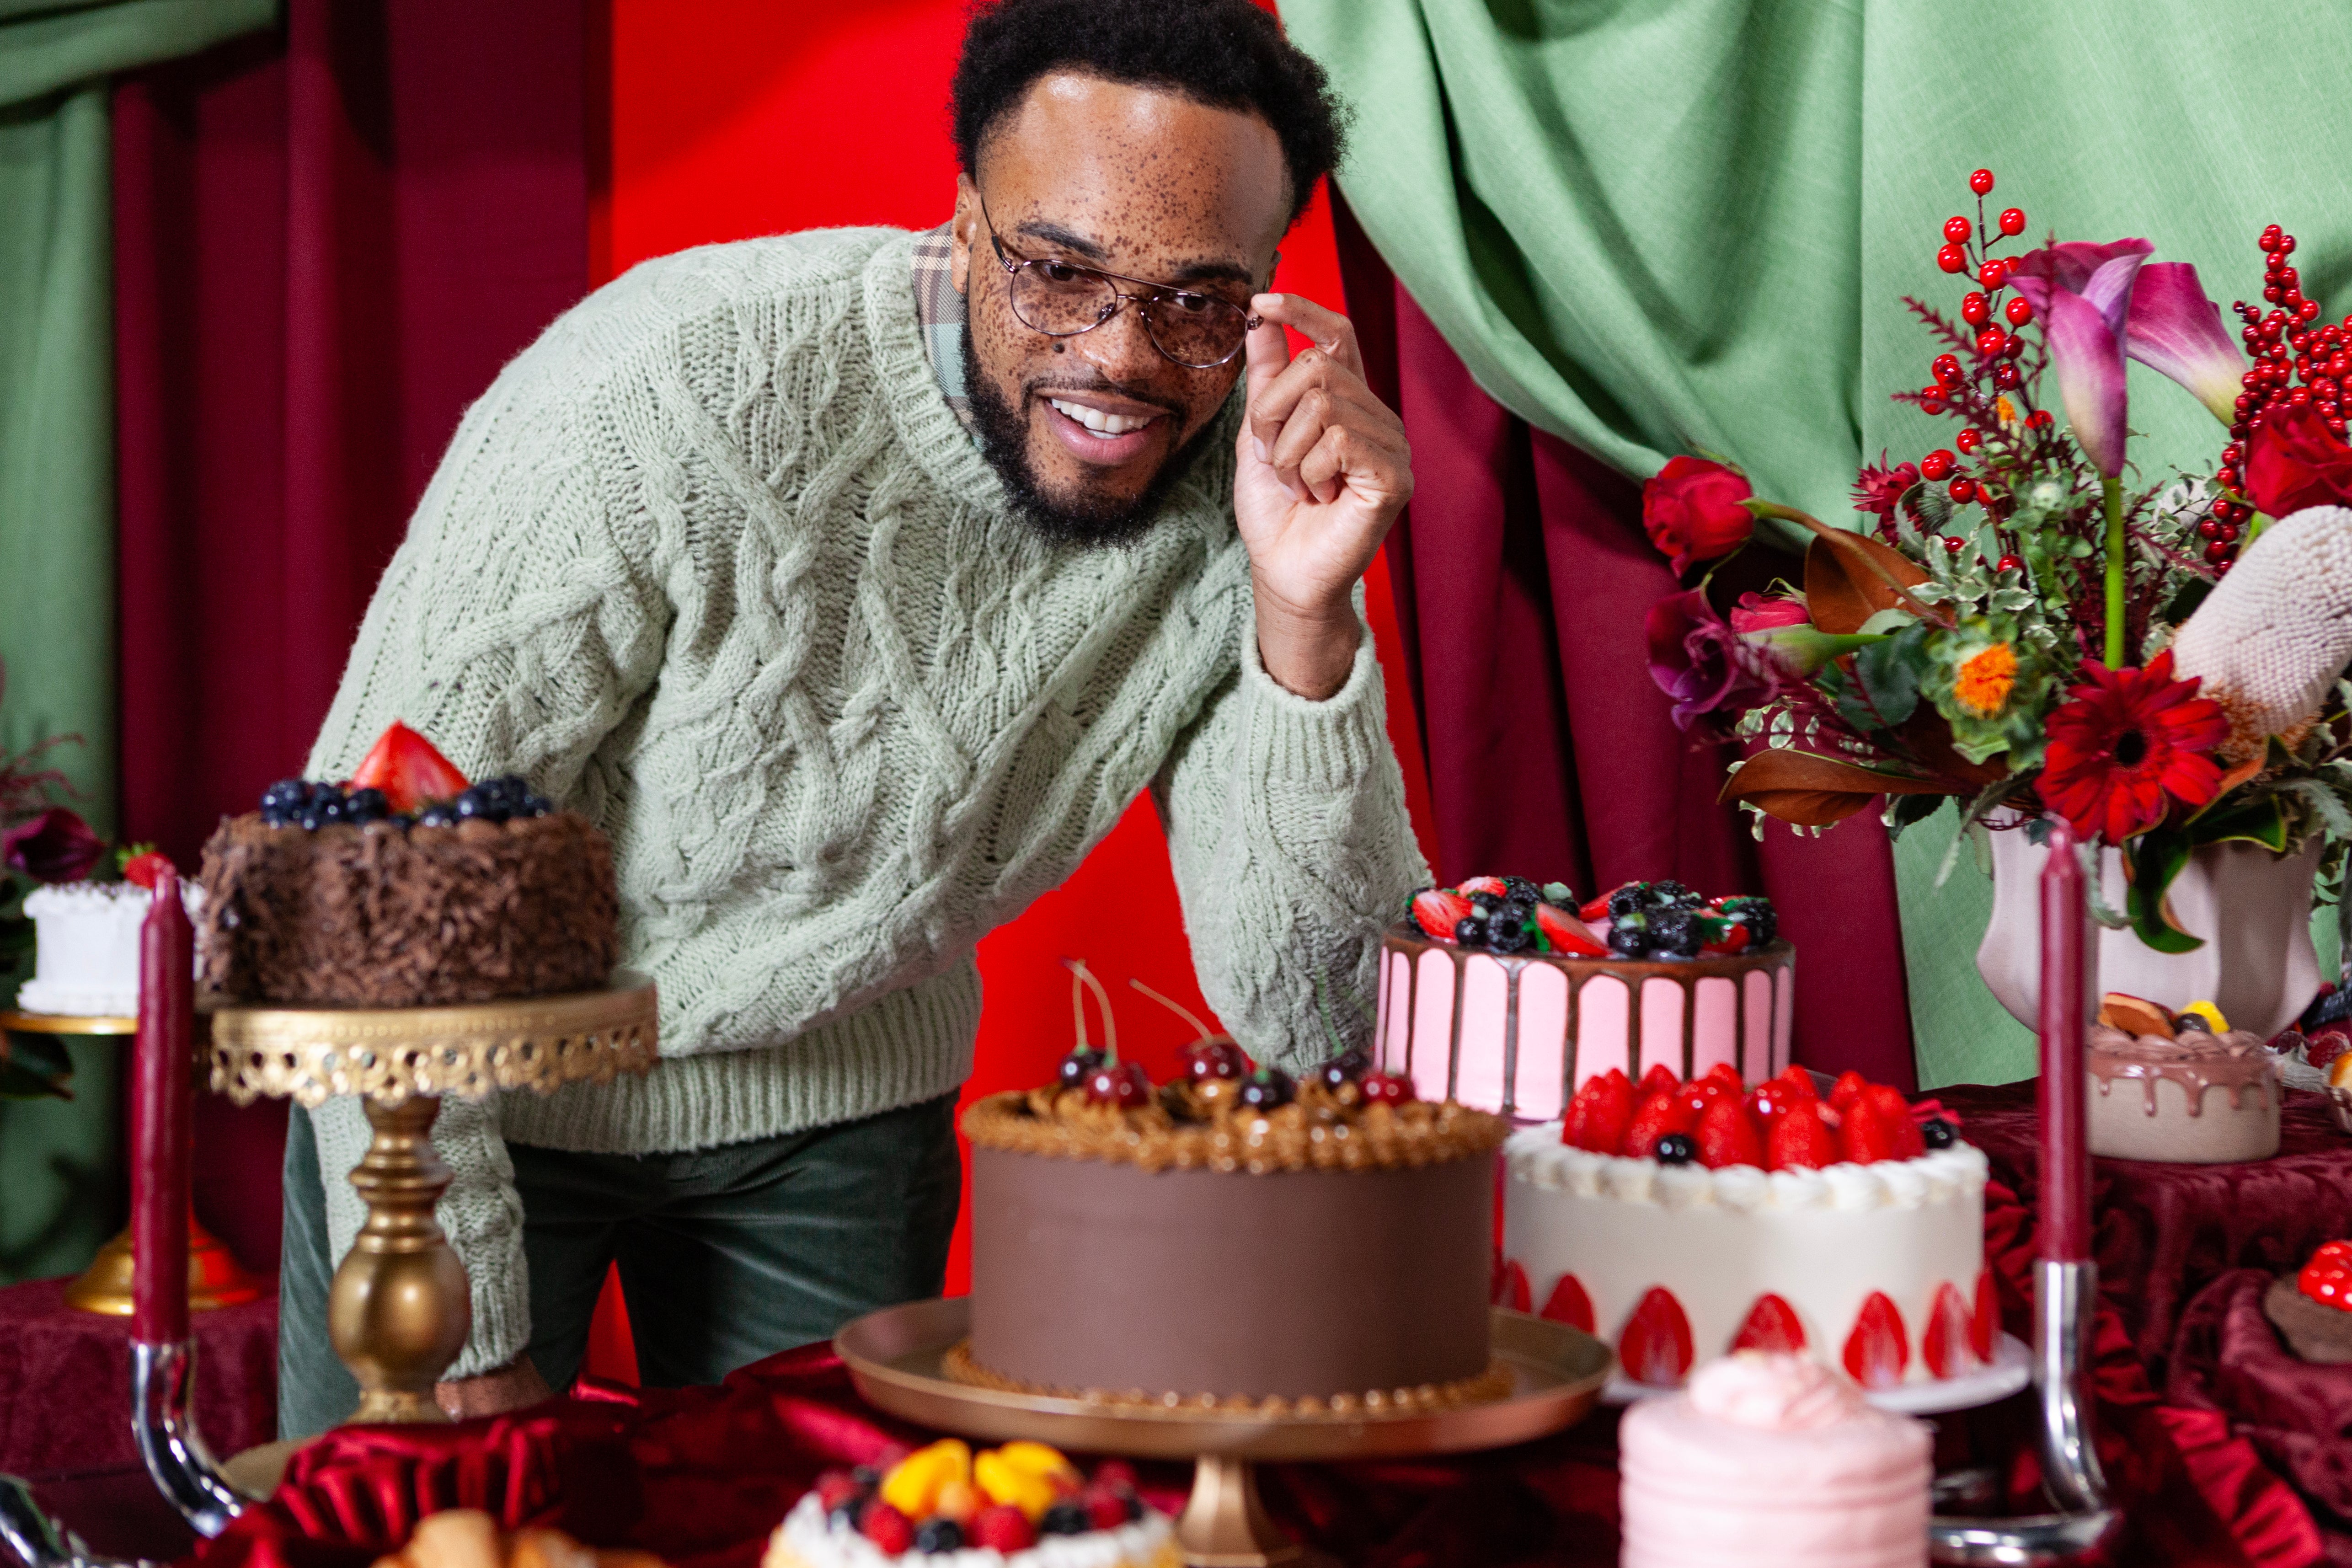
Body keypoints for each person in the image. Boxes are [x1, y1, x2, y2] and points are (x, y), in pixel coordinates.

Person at [278, 0, 1424, 1436]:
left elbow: (1321, 1026)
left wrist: (1304, 617)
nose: (1123, 358)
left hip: (842, 1116)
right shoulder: (669, 388)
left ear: (1265, 296)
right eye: (1060, 273)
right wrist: (465, 1341)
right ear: (962, 224)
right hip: (454, 1093)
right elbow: (372, 864)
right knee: (404, 1535)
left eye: (1197, 301)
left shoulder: (1248, 481)